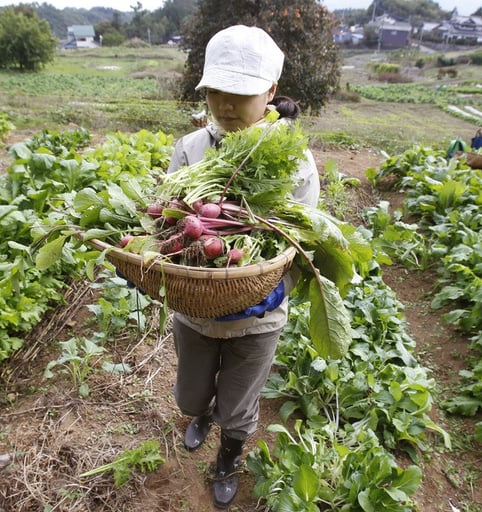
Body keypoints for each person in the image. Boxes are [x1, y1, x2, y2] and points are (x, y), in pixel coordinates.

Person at [166, 24, 320, 509]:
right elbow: (170, 219)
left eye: (241, 93)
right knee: (190, 397)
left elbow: (299, 243)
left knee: (239, 408)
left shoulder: (295, 161)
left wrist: (271, 290)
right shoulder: (192, 148)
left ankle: (229, 456)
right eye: (216, 92)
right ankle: (200, 413)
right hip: (193, 308)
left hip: (258, 318)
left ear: (270, 91)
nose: (226, 105)